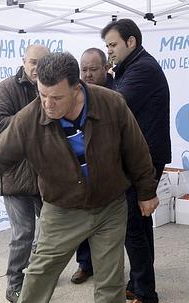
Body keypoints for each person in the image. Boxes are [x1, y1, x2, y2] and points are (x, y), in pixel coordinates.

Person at [0, 52, 158, 303]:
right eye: (42, 95)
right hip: (61, 211)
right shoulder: (28, 120)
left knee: (110, 282)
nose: (47, 104)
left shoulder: (111, 103)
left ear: (76, 87)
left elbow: (135, 147)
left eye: (56, 97)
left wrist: (146, 191)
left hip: (110, 207)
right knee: (38, 274)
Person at [98, 19, 173, 303]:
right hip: (141, 156)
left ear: (131, 42)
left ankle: (146, 295)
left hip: (143, 159)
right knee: (140, 223)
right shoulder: (131, 67)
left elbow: (113, 105)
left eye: (113, 45)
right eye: (107, 47)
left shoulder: (142, 69)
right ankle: (139, 282)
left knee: (132, 225)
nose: (110, 52)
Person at [0, 44, 49, 303]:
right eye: (33, 62)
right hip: (15, 174)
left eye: (42, 63)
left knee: (49, 232)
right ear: (23, 61)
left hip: (46, 174)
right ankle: (14, 283)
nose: (37, 67)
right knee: (23, 232)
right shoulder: (6, 88)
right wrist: (33, 115)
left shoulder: (53, 86)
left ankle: (36, 275)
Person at [70, 47, 114, 285]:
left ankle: (108, 270)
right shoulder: (75, 94)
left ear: (106, 69)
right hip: (82, 173)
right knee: (83, 223)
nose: (87, 74)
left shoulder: (115, 94)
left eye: (93, 69)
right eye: (83, 69)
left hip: (109, 173)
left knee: (108, 228)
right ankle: (85, 265)